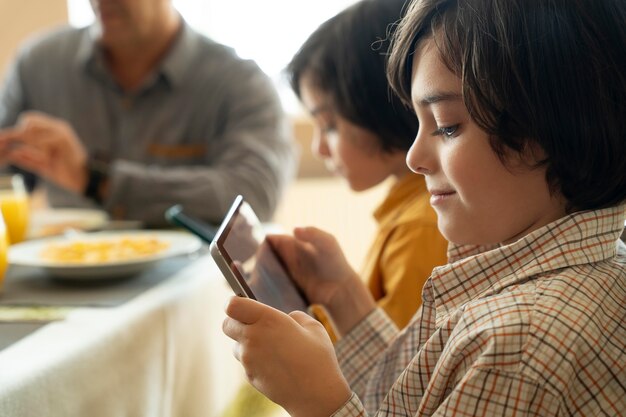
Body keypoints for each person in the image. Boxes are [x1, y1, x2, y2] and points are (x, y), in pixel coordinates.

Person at [222, 0, 626, 415]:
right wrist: (343, 297)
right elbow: (416, 398)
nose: (414, 156)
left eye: (447, 126)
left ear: (557, 123)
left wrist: (317, 402)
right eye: (418, 121)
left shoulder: (515, 346)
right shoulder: (573, 269)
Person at [0, 0, 296, 226]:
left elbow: (253, 196)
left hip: (192, 288)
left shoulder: (238, 81)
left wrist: (96, 180)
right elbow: (9, 177)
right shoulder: (38, 64)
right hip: (59, 280)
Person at [287, 0, 448, 331]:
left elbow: (388, 370)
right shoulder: (408, 209)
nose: (318, 147)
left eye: (329, 125)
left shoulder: (421, 228)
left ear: (379, 104)